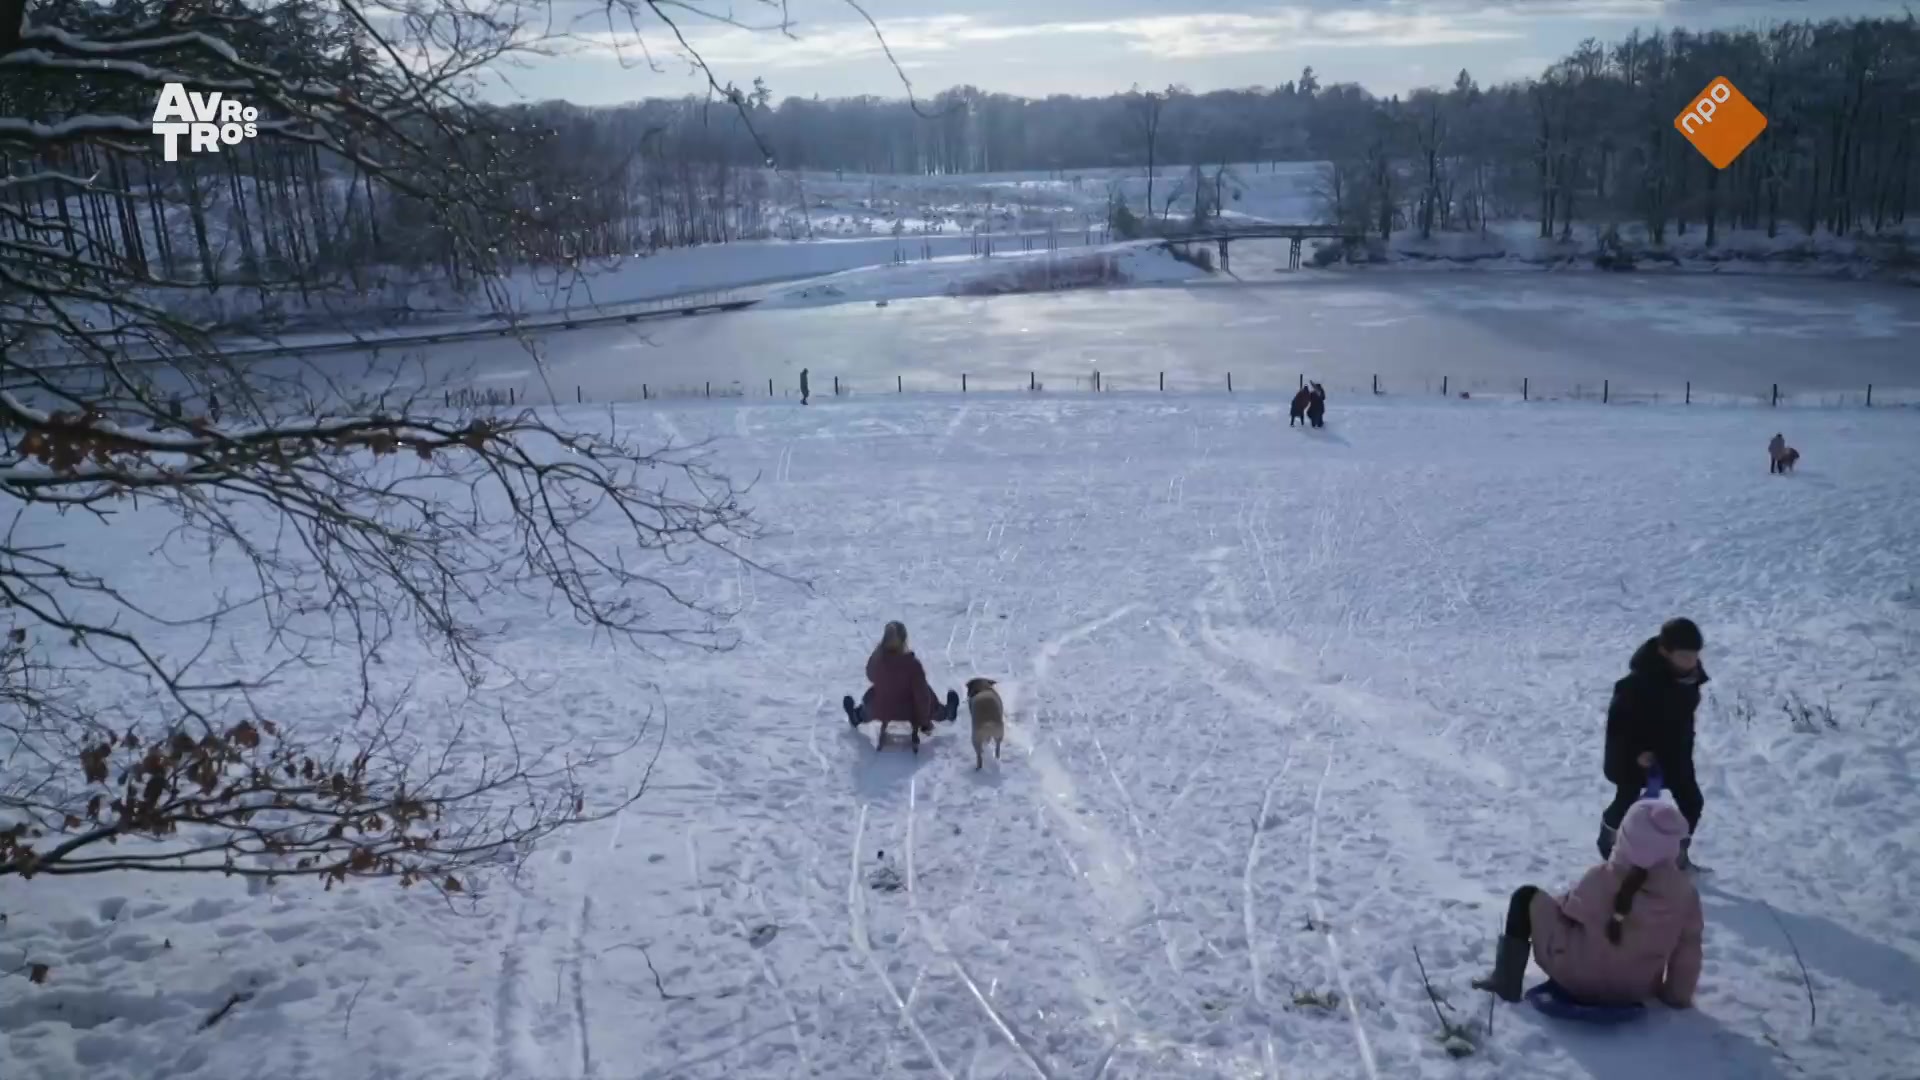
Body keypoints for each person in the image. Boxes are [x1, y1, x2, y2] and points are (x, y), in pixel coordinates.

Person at [1473, 799, 1703, 1007]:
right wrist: (1677, 996)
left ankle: (1505, 982)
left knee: (1525, 897)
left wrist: (1559, 902)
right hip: (1633, 990)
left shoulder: (1601, 877)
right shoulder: (1685, 895)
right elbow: (1688, 949)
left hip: (1577, 979)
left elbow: (1567, 911)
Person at [1599, 618, 1707, 868]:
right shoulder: (1635, 684)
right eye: (1684, 656)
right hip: (1636, 755)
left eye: (1695, 655)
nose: (1691, 662)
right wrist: (1637, 751)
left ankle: (1677, 855)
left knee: (1692, 802)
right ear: (1664, 651)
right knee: (1626, 801)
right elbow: (1618, 726)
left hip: (1674, 753)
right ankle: (1609, 844)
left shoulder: (1690, 678)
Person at [843, 621, 958, 735]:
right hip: (910, 711)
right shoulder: (913, 665)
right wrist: (924, 722)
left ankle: (858, 716)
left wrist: (878, 653)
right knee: (927, 694)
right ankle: (946, 713)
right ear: (904, 640)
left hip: (881, 709)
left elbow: (870, 676)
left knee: (872, 699)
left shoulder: (879, 661)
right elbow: (922, 698)